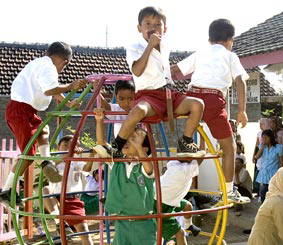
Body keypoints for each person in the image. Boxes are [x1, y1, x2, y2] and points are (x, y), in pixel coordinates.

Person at [100, 6, 205, 159]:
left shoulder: (165, 46)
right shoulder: (135, 48)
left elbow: (165, 71)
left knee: (198, 104)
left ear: (165, 29)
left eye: (157, 24)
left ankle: (186, 142)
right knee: (138, 110)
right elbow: (136, 71)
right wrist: (149, 46)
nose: (153, 28)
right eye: (147, 24)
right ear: (139, 28)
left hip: (169, 94)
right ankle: (116, 145)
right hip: (148, 95)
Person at [0, 42, 87, 206]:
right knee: (28, 155)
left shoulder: (38, 63)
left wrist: (67, 103)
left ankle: (47, 162)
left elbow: (47, 89)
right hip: (21, 111)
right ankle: (6, 190)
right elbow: (49, 90)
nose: (62, 70)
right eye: (64, 67)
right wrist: (71, 86)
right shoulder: (49, 68)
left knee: (43, 131)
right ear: (64, 61)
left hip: (26, 110)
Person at [171, 18, 248, 197]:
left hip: (192, 99)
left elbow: (176, 69)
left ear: (209, 40)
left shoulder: (202, 52)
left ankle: (186, 145)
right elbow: (240, 80)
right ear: (231, 41)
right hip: (213, 100)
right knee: (230, 149)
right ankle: (228, 190)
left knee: (196, 137)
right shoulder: (230, 55)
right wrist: (242, 110)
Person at [94, 108, 158, 245]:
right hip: (122, 221)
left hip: (143, 223)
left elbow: (149, 168)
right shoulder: (118, 165)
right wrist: (99, 121)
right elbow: (102, 147)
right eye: (127, 140)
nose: (126, 143)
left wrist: (139, 148)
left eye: (134, 140)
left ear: (144, 148)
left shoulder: (145, 166)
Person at [43, 135, 109, 245]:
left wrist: (90, 155)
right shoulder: (54, 159)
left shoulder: (76, 162)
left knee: (83, 230)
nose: (69, 148)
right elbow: (51, 165)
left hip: (73, 199)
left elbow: (87, 169)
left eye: (73, 145)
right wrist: (67, 156)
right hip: (56, 199)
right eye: (65, 145)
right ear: (58, 148)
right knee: (45, 189)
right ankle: (59, 222)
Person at [156, 142, 205, 245]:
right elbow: (202, 157)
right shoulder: (183, 170)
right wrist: (202, 141)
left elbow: (195, 157)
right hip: (159, 205)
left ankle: (189, 225)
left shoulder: (174, 163)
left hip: (170, 200)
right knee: (179, 234)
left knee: (188, 206)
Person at [255, 129, 283, 203]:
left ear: (271, 137)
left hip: (273, 172)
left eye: (266, 137)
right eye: (263, 138)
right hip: (264, 172)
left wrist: (279, 173)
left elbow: (281, 162)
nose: (264, 139)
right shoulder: (262, 147)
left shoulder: (278, 147)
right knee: (263, 191)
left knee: (273, 192)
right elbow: (257, 157)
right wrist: (261, 148)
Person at [252, 118, 270, 194]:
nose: (260, 126)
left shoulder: (270, 133)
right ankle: (258, 191)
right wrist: (254, 155)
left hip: (266, 156)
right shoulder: (259, 133)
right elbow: (256, 145)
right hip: (259, 153)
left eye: (262, 124)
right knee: (258, 172)